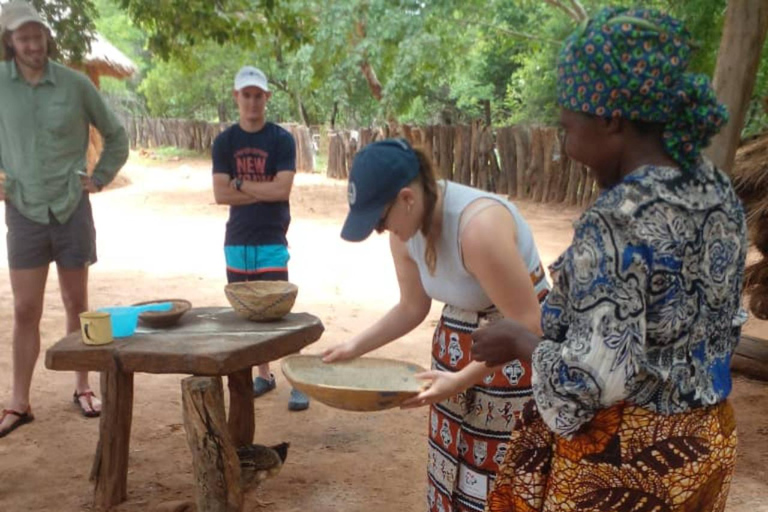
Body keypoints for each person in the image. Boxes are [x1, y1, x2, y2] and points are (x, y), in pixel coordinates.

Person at [471, 7, 746, 512]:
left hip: (630, 466)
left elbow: (586, 384)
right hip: (703, 448)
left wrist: (517, 337)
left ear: (611, 118)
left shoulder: (617, 220)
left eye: (567, 127)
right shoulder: (715, 190)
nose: (565, 145)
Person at [323, 138, 550, 512]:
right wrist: (354, 347)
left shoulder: (478, 228)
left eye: (380, 220)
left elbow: (528, 322)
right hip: (460, 344)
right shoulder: (406, 230)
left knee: (501, 472)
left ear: (407, 198)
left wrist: (460, 380)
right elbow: (413, 306)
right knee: (453, 463)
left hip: (517, 353)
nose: (381, 231)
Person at [0, 1, 129, 438]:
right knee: (24, 308)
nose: (33, 45)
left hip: (72, 207)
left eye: (38, 36)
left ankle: (82, 386)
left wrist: (101, 176)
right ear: (10, 42)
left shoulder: (75, 84)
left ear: (46, 38)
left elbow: (116, 134)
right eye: (23, 38)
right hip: (23, 209)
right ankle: (19, 401)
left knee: (78, 303)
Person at [212, 65, 310, 411]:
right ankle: (264, 376)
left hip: (271, 238)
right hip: (236, 240)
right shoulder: (224, 142)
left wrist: (241, 185)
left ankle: (296, 379)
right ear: (236, 97)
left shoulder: (281, 139)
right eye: (246, 95)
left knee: (279, 310)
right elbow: (220, 195)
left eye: (258, 95)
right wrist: (262, 191)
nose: (252, 102)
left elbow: (283, 189)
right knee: (245, 312)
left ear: (266, 98)